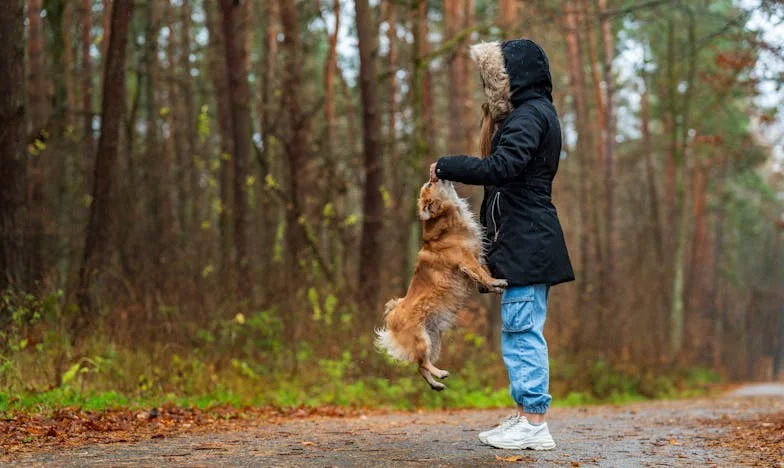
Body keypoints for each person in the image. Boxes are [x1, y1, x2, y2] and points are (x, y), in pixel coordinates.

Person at [429, 39, 574, 450]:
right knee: (518, 330)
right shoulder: (535, 113)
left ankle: (533, 421)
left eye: (492, 77)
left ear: (511, 77)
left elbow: (504, 167)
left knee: (522, 330)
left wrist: (448, 165)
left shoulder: (530, 115)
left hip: (529, 243)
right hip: (525, 242)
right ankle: (526, 415)